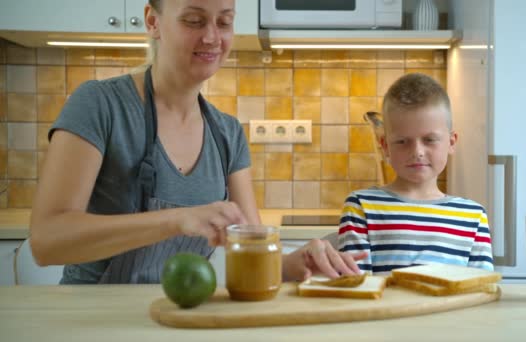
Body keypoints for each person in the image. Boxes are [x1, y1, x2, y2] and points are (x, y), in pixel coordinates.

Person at [29, 0, 365, 284]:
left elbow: (253, 251)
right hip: (92, 321)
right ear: (152, 21)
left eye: (224, 21)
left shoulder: (227, 133)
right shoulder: (100, 105)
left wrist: (296, 261)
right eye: (194, 20)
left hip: (185, 317)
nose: (212, 37)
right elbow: (47, 241)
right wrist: (176, 221)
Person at [338, 73, 494, 275]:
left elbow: (481, 289)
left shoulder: (473, 216)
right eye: (402, 141)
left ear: (451, 142)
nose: (417, 151)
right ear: (385, 146)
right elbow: (355, 287)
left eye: (429, 139)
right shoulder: (361, 206)